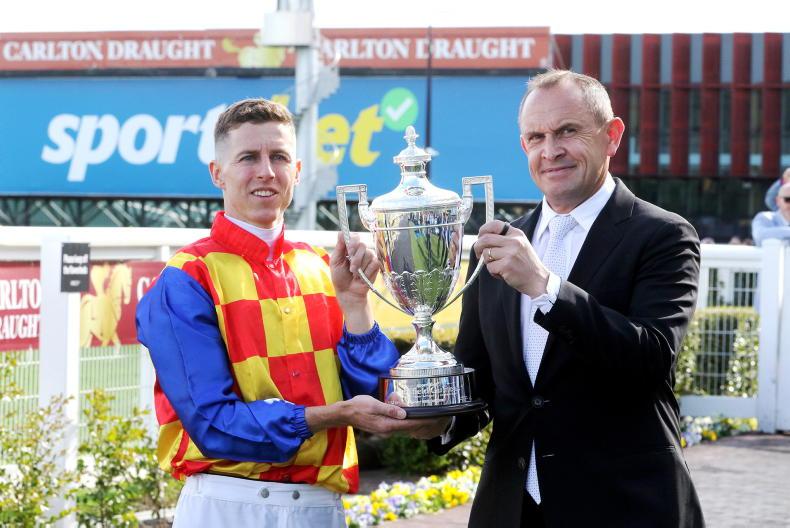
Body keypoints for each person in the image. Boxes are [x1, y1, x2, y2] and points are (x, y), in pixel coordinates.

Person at [426, 70, 705, 527]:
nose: (550, 150)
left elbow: (652, 357)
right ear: (523, 146)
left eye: (568, 131)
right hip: (511, 509)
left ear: (612, 136)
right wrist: (433, 420)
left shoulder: (664, 235)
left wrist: (544, 287)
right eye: (536, 137)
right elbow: (481, 382)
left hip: (624, 508)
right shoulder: (498, 246)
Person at [136, 98, 431, 528]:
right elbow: (212, 424)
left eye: (279, 157)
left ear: (297, 170)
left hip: (321, 507)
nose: (266, 171)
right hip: (225, 505)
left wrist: (355, 305)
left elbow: (378, 393)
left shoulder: (322, 267)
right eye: (248, 158)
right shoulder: (186, 278)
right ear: (217, 173)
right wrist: (331, 416)